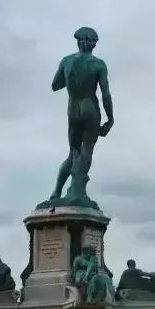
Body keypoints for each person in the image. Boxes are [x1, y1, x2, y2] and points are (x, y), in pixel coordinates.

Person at [48, 26, 114, 206]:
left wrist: (71, 76)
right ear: (93, 44)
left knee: (73, 153)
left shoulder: (67, 61)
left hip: (73, 109)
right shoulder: (99, 64)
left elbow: (55, 85)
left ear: (78, 42)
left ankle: (57, 191)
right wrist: (110, 118)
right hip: (90, 108)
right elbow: (105, 94)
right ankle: (78, 191)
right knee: (87, 150)